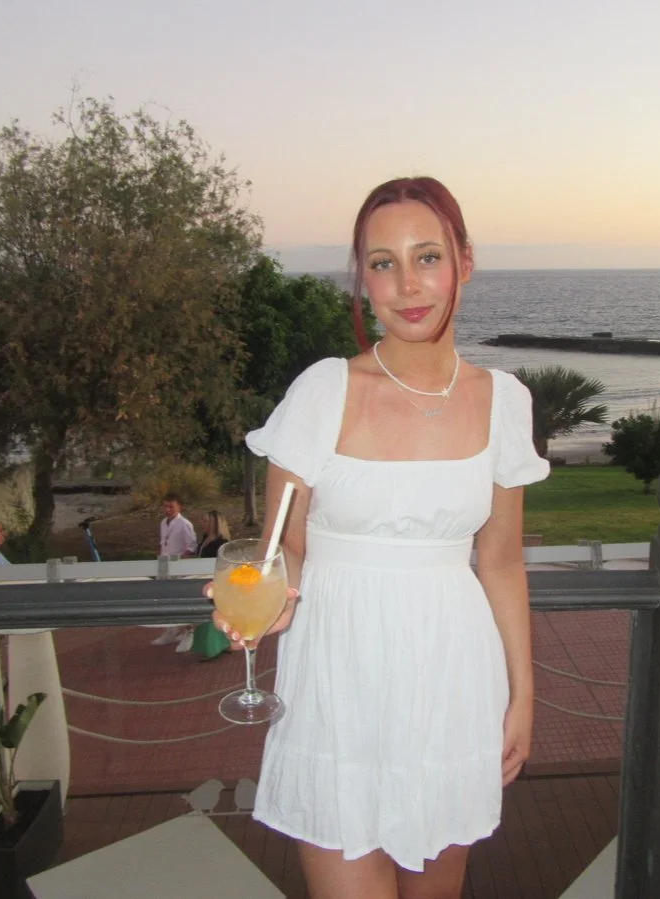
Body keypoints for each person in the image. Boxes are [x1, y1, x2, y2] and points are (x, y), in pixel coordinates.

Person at [211, 176, 548, 899]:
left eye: (428, 256)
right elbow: (285, 545)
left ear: (464, 261)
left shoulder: (503, 403)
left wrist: (523, 695)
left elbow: (500, 562)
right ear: (362, 278)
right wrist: (266, 592)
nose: (408, 284)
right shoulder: (323, 391)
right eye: (383, 263)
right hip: (340, 683)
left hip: (454, 681)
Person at [174, 511, 234, 655]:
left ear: (214, 523)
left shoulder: (221, 543)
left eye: (206, 521)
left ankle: (214, 645)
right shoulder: (205, 539)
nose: (202, 524)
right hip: (200, 579)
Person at [150, 493, 198, 646]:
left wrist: (180, 563)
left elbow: (191, 547)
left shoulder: (184, 524)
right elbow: (163, 543)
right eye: (165, 506)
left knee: (179, 599)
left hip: (178, 567)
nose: (167, 510)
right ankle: (172, 629)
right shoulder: (163, 523)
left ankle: (186, 630)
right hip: (164, 565)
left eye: (171, 506)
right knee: (164, 599)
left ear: (179, 507)